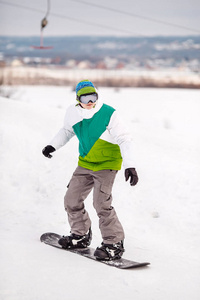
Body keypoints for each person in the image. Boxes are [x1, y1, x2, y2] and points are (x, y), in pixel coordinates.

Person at [42, 80, 138, 261]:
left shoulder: (109, 113)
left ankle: (113, 243)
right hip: (85, 163)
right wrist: (52, 146)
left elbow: (125, 139)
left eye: (93, 97)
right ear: (78, 99)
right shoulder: (72, 112)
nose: (90, 102)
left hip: (107, 164)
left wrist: (130, 165)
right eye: (85, 98)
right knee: (71, 199)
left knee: (101, 203)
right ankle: (80, 235)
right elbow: (67, 131)